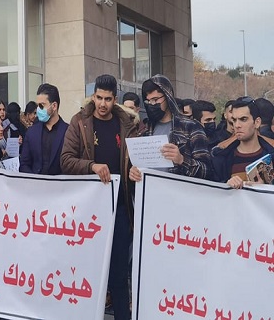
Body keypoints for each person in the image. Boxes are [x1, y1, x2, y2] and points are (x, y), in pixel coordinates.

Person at [60, 75, 139, 320]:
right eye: (99, 98)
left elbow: (138, 162)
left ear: (115, 99)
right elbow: (66, 160)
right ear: (93, 96)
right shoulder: (80, 122)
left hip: (121, 208)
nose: (102, 104)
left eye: (108, 99)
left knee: (118, 275)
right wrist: (91, 166)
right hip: (90, 212)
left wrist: (136, 171)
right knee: (87, 272)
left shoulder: (128, 125)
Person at [138, 74, 213, 180]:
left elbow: (207, 171)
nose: (152, 104)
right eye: (148, 101)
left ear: (167, 96)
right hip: (150, 188)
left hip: (179, 188)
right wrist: (135, 172)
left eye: (155, 99)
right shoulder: (145, 130)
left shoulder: (191, 127)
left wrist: (182, 160)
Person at [213, 97, 274, 187]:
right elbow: (212, 190)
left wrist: (265, 188)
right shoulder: (221, 158)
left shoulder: (271, 155)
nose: (237, 125)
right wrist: (226, 186)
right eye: (234, 120)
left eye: (243, 119)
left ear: (257, 122)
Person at [19, 84, 68, 175]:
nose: (38, 110)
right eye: (37, 106)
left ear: (54, 106)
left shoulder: (68, 131)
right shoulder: (32, 132)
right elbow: (24, 164)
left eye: (42, 105)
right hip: (35, 182)